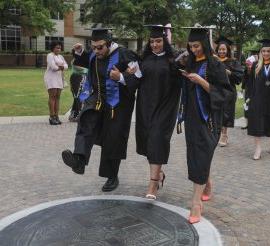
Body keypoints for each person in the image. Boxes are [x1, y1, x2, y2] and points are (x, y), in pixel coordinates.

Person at [61, 25, 140, 192]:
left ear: (109, 43)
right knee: (86, 120)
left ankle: (112, 176)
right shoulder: (94, 54)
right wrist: (80, 52)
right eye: (93, 47)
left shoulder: (125, 54)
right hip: (97, 98)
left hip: (118, 104)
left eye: (100, 47)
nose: (96, 51)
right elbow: (85, 61)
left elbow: (139, 76)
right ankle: (79, 161)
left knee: (113, 140)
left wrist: (121, 77)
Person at [177, 25, 232, 224]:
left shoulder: (215, 65)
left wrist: (201, 81)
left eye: (197, 46)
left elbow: (226, 94)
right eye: (191, 46)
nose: (194, 50)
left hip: (208, 119)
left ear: (205, 45)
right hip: (192, 118)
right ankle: (206, 182)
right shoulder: (190, 62)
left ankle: (196, 203)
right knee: (195, 156)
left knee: (201, 155)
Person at [135, 25, 181, 200]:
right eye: (152, 41)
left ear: (165, 41)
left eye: (158, 41)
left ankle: (153, 184)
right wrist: (124, 77)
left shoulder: (173, 61)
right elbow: (135, 82)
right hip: (145, 107)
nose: (154, 44)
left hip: (166, 108)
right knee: (149, 143)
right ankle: (159, 174)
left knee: (157, 140)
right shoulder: (144, 60)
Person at [214, 36, 244, 146]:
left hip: (228, 91)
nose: (221, 51)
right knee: (216, 111)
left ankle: (224, 135)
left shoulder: (233, 62)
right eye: (220, 49)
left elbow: (239, 77)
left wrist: (227, 72)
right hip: (215, 90)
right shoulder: (213, 61)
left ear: (227, 50)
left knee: (226, 113)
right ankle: (216, 134)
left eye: (224, 49)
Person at [44, 41, 68, 125]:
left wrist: (61, 67)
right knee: (52, 96)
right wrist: (61, 67)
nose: (59, 49)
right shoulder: (50, 55)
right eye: (57, 47)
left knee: (58, 97)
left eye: (60, 47)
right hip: (51, 78)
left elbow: (66, 66)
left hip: (59, 78)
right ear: (53, 48)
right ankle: (52, 116)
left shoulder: (61, 56)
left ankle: (57, 116)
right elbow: (53, 67)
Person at [68, 50, 88, 122]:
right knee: (77, 96)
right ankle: (79, 114)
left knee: (78, 96)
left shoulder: (82, 60)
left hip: (81, 78)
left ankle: (75, 114)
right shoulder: (75, 61)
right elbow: (83, 70)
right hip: (77, 79)